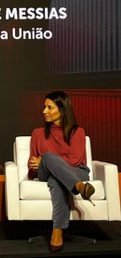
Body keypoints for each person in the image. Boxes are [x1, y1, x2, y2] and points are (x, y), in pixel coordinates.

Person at [27, 91, 95, 252]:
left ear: (63, 110)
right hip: (47, 173)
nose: (44, 111)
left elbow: (75, 161)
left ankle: (57, 230)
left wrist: (43, 160)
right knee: (49, 158)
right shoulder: (38, 133)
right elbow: (32, 167)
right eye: (44, 107)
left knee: (56, 179)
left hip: (78, 171)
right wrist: (44, 162)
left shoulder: (77, 132)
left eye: (49, 107)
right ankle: (79, 187)